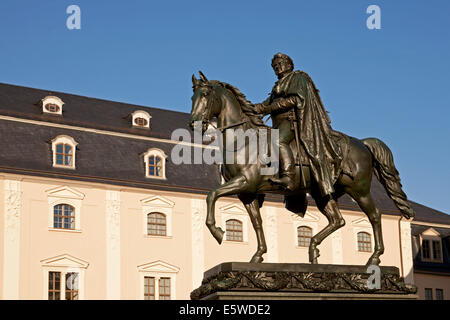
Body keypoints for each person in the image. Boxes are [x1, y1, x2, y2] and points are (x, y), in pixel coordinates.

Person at [254, 53, 341, 197]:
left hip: (293, 121)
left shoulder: (298, 78)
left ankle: (288, 177)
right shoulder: (278, 86)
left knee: (278, 141)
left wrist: (272, 107)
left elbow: (297, 99)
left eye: (280, 63)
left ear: (289, 65)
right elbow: (264, 106)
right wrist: (246, 108)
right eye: (274, 66)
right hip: (278, 123)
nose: (277, 67)